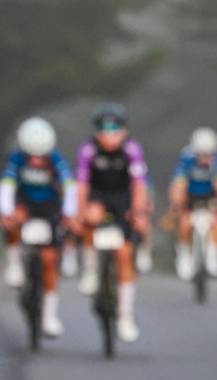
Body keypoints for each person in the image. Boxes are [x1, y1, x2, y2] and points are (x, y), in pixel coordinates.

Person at [75, 103, 150, 342]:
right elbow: (81, 184)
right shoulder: (88, 150)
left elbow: (139, 183)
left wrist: (138, 212)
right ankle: (90, 270)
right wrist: (79, 211)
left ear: (124, 130)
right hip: (97, 196)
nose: (109, 135)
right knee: (91, 218)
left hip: (123, 199)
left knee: (124, 254)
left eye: (114, 129)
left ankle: (125, 315)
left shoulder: (132, 149)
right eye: (104, 129)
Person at [1, 117, 78, 337]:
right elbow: (7, 187)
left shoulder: (56, 160)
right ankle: (14, 263)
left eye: (40, 156)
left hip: (49, 209)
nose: (36, 160)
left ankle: (49, 316)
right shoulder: (15, 159)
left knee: (49, 260)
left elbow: (69, 187)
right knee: (14, 221)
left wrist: (69, 213)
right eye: (31, 156)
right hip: (24, 205)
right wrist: (6, 212)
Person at [168, 127, 217, 280]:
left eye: (209, 153)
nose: (205, 157)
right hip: (190, 197)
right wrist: (177, 202)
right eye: (202, 153)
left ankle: (214, 256)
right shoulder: (186, 160)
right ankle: (184, 255)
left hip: (210, 197)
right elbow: (178, 184)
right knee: (184, 223)